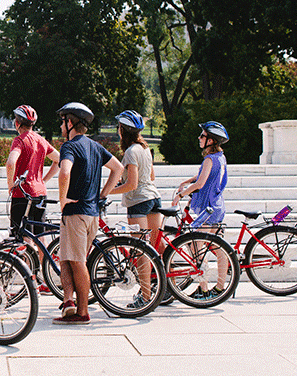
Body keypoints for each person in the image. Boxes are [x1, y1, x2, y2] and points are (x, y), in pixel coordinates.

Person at [54, 102, 123, 325]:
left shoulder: (70, 146)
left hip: (76, 213)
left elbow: (64, 173)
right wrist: (102, 194)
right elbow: (118, 168)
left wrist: (62, 199)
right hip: (91, 213)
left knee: (77, 262)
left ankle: (82, 312)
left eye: (63, 120)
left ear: (70, 122)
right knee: (66, 258)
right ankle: (69, 302)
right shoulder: (94, 146)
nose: (61, 125)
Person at [107, 110, 162, 309]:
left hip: (138, 201)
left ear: (123, 130)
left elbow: (131, 184)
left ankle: (146, 297)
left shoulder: (130, 152)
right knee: (155, 248)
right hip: (155, 198)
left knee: (141, 252)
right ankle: (164, 289)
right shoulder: (145, 148)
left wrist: (107, 192)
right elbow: (152, 177)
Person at [173, 120, 229, 300]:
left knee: (196, 248)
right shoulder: (219, 157)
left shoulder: (209, 159)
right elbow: (201, 176)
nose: (199, 138)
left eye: (203, 136)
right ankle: (220, 288)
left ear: (211, 140)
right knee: (216, 248)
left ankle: (204, 290)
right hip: (217, 206)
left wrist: (180, 195)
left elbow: (200, 183)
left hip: (208, 209)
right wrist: (186, 182)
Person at [5, 104, 60, 252]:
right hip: (40, 193)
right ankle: (45, 270)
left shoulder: (19, 140)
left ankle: (30, 273)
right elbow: (58, 159)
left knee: (24, 237)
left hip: (22, 193)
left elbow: (11, 163)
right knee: (41, 236)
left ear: (17, 123)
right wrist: (43, 180)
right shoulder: (41, 140)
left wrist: (11, 184)